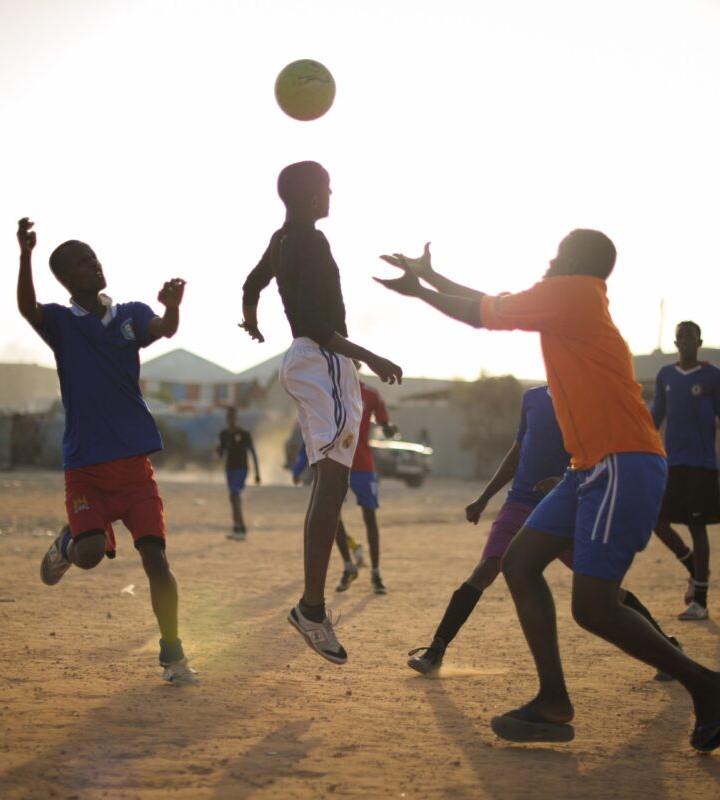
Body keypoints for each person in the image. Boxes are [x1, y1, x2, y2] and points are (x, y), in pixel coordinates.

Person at [377, 234, 720, 752]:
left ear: (572, 262)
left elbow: (482, 314)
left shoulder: (573, 293)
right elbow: (494, 303)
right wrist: (431, 278)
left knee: (593, 608)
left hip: (622, 461)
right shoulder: (570, 300)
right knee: (520, 563)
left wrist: (421, 291)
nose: (547, 262)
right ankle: (553, 701)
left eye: (554, 255)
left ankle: (707, 686)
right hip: (588, 469)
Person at [17, 216, 198, 687]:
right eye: (81, 263)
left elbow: (164, 328)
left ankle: (173, 654)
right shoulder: (60, 323)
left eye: (94, 257)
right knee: (92, 553)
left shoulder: (129, 315)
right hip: (87, 472)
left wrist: (173, 308)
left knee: (157, 561)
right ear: (66, 280)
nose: (93, 266)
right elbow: (27, 308)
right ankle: (69, 543)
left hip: (135, 469)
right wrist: (26, 255)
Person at [240, 161, 403, 665]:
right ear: (313, 200)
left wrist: (252, 322)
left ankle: (313, 606)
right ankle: (311, 608)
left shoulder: (282, 238)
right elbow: (314, 320)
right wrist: (370, 357)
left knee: (329, 485)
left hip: (309, 361)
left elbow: (251, 285)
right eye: (328, 189)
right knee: (333, 485)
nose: (332, 195)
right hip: (323, 360)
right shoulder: (311, 241)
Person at [406, 386, 681, 683]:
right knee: (485, 571)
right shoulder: (532, 398)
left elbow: (598, 455)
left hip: (564, 506)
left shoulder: (587, 397)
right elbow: (517, 452)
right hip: (520, 501)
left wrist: (567, 481)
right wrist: (484, 498)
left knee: (606, 592)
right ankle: (436, 650)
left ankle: (668, 649)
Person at [651, 321, 720, 621]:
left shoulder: (713, 376)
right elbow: (653, 419)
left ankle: (701, 603)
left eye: (689, 336)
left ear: (699, 341)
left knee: (697, 528)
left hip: (702, 466)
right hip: (673, 465)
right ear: (675, 342)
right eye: (679, 337)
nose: (684, 341)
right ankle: (695, 568)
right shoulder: (666, 375)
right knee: (657, 521)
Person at [333, 380, 396, 595]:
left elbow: (384, 421)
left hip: (362, 464)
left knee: (370, 517)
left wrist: (388, 427)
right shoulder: (331, 388)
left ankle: (376, 573)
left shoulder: (370, 393)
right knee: (331, 515)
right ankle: (348, 566)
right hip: (336, 461)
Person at [218, 407, 260, 541]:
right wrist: (216, 450)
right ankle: (239, 527)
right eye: (229, 417)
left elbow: (253, 453)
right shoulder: (223, 434)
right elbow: (221, 453)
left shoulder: (245, 434)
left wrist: (257, 473)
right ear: (227, 419)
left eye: (233, 417)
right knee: (233, 498)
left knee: (235, 496)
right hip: (229, 469)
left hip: (241, 469)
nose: (231, 420)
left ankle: (239, 528)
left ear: (236, 418)